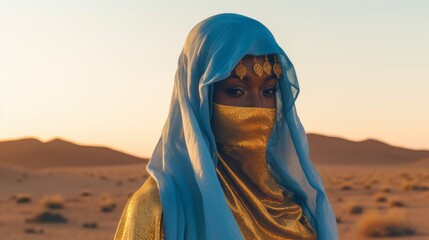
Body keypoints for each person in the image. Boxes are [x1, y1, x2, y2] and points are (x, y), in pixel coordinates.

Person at [114, 13, 338, 240]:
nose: (257, 108)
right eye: (236, 91)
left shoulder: (297, 206)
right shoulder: (160, 209)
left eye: (268, 91)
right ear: (198, 99)